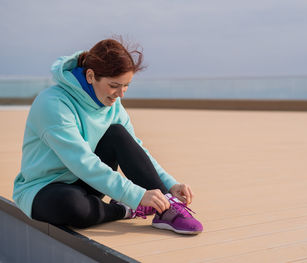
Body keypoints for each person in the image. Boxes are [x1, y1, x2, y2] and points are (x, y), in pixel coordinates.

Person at [12, 38, 203, 235]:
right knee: (73, 206)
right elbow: (81, 161)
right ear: (90, 76)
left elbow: (135, 148)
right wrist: (136, 196)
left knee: (117, 134)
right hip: (44, 189)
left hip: (87, 183)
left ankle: (167, 207)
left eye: (126, 85)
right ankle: (124, 210)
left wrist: (169, 185)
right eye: (114, 85)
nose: (121, 94)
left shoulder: (112, 104)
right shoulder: (53, 103)